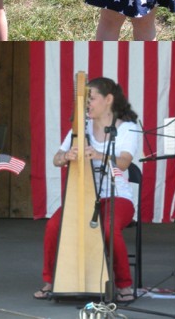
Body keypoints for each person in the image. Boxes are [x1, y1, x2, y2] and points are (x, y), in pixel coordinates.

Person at [35, 77, 141, 303]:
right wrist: (67, 156)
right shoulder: (80, 128)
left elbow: (124, 162)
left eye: (91, 99)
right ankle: (50, 280)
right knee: (54, 225)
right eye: (86, 100)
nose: (87, 105)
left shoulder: (127, 128)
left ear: (108, 100)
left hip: (117, 196)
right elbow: (56, 159)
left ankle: (124, 284)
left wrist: (98, 155)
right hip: (83, 197)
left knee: (108, 226)